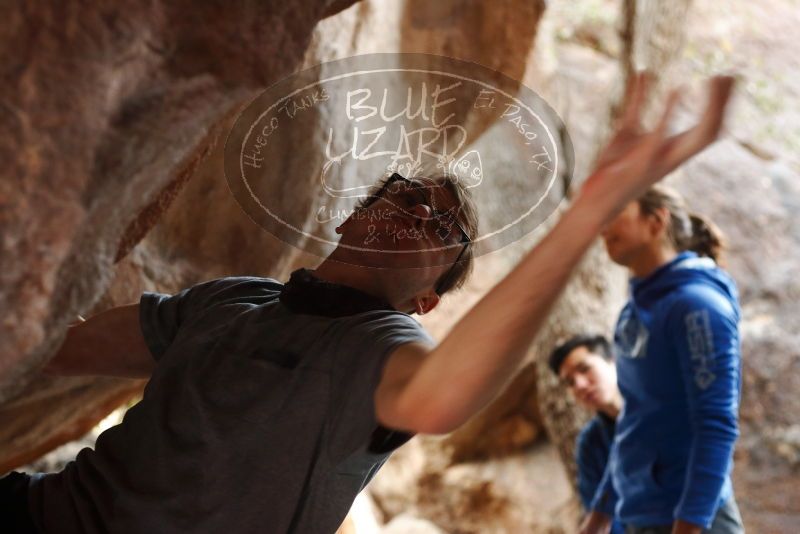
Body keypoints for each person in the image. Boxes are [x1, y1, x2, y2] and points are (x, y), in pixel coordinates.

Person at [1, 73, 734, 533]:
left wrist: (587, 213)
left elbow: (441, 397)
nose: (416, 209)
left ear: (426, 299)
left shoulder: (384, 347)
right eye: (404, 195)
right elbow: (50, 348)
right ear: (352, 217)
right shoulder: (227, 300)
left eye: (442, 226)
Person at [580, 184, 745, 534]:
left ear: (656, 222)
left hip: (694, 520)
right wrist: (598, 518)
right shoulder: (633, 313)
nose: (602, 227)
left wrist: (688, 526)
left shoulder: (697, 306)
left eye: (616, 213)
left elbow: (716, 425)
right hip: (642, 514)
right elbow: (634, 423)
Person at [549, 335, 624, 534]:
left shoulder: (658, 405)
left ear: (612, 361)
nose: (580, 385)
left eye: (584, 369)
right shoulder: (590, 444)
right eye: (570, 382)